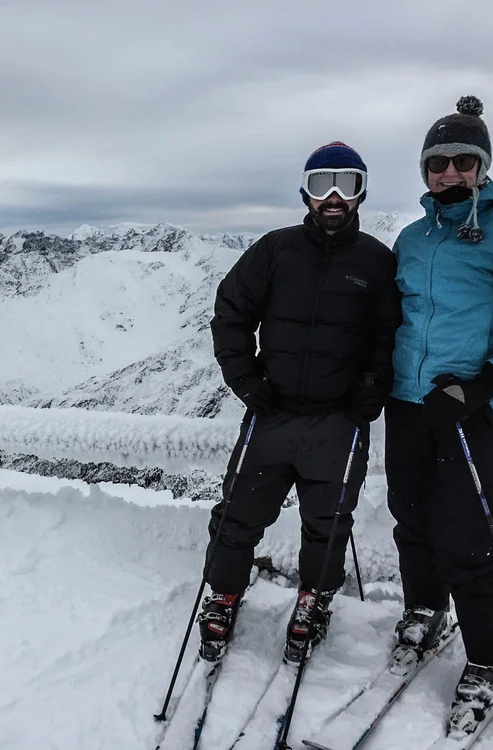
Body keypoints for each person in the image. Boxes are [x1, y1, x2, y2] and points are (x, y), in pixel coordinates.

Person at [384, 96, 493, 732]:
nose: (450, 172)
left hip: (474, 410)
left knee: (467, 532)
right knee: (411, 517)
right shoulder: (411, 237)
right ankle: (425, 608)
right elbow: (397, 317)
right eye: (438, 163)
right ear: (425, 172)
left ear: (482, 167)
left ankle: (492, 657)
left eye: (463, 161)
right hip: (408, 404)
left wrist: (483, 384)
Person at [201, 142, 401, 664]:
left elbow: (390, 335)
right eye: (321, 185)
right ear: (305, 194)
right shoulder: (275, 250)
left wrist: (371, 391)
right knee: (238, 516)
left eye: (346, 183)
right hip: (273, 411)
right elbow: (231, 313)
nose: (333, 196)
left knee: (329, 523)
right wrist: (245, 380)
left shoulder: (377, 261)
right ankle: (222, 594)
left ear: (361, 193)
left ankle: (315, 599)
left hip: (339, 420)